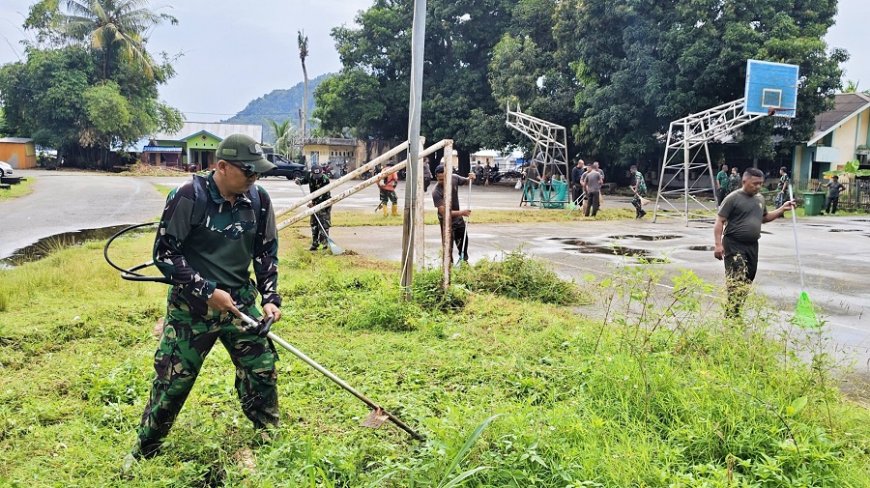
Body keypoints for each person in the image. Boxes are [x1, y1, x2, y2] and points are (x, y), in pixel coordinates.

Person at [128, 134, 282, 467]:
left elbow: (266, 252)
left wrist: (270, 298)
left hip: (240, 303)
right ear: (222, 166)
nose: (255, 178)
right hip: (192, 308)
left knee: (261, 369)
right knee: (173, 380)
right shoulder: (189, 196)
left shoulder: (259, 200)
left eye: (258, 173)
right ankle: (145, 449)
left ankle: (268, 435)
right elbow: (165, 253)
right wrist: (207, 290)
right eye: (248, 171)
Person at [714, 168, 795, 318]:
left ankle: (736, 311)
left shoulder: (760, 198)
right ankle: (731, 315)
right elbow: (720, 220)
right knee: (737, 278)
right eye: (754, 183)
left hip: (752, 245)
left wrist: (782, 209)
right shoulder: (733, 198)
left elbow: (764, 217)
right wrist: (718, 245)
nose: (758, 187)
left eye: (760, 184)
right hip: (734, 243)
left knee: (748, 278)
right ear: (744, 181)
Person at [432, 164, 475, 262]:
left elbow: (467, 181)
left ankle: (463, 261)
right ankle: (448, 266)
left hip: (458, 219)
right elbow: (444, 213)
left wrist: (471, 178)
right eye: (440, 180)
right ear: (436, 177)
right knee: (448, 246)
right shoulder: (436, 191)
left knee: (463, 240)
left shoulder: (454, 178)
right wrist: (462, 213)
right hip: (446, 221)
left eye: (444, 179)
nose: (442, 182)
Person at [297, 163, 333, 249]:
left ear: (322, 172)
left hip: (324, 203)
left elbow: (324, 195)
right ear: (312, 173)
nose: (317, 177)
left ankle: (325, 244)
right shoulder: (309, 175)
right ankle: (315, 244)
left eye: (319, 175)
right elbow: (304, 180)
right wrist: (299, 181)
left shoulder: (325, 179)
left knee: (324, 224)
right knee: (314, 223)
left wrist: (315, 203)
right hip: (314, 203)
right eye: (315, 175)